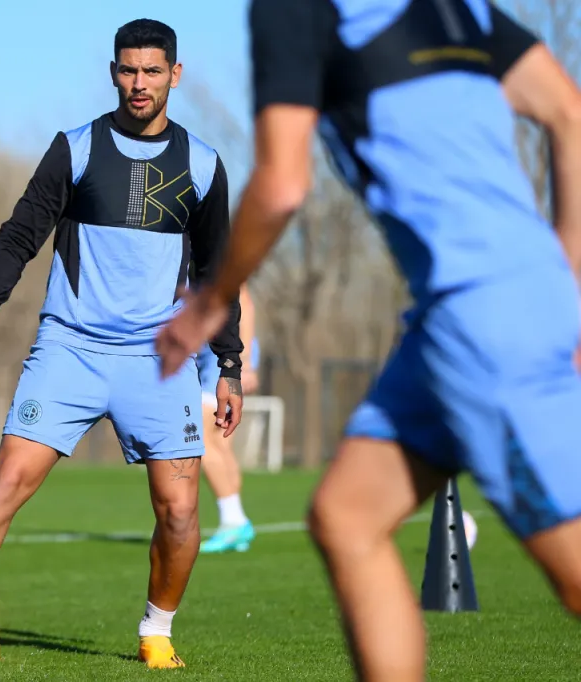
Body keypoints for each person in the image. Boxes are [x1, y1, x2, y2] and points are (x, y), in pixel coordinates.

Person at [155, 1, 581, 680]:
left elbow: (282, 184)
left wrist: (212, 300)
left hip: (483, 319)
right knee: (348, 517)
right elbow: (569, 112)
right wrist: (567, 283)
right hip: (463, 315)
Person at [0, 18, 244, 671]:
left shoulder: (203, 164)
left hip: (159, 361)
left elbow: (218, 274)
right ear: (113, 73)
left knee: (180, 510)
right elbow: (19, 234)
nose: (139, 83)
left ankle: (157, 630)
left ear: (175, 75)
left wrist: (229, 366)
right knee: (5, 482)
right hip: (70, 350)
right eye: (128, 70)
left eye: (152, 71)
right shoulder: (75, 149)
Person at [197, 283, 260, 553]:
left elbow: (243, 300)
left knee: (199, 436)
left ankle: (234, 521)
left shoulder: (214, 258)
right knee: (220, 443)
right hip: (206, 348)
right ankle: (235, 523)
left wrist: (244, 361)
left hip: (225, 350)